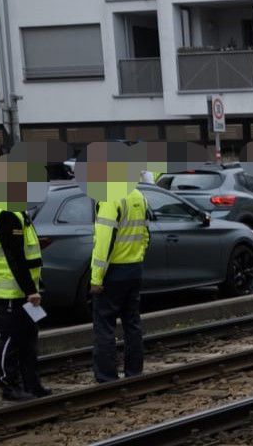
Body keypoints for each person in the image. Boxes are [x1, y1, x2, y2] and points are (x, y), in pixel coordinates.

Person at [0, 159, 49, 401]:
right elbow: (15, 256)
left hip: (19, 286)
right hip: (13, 288)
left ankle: (31, 383)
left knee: (28, 336)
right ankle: (9, 385)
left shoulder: (0, 206)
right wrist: (31, 289)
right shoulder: (7, 211)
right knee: (11, 338)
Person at [87, 156, 150, 383]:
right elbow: (145, 235)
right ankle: (135, 371)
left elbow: (104, 242)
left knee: (104, 325)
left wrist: (96, 278)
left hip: (112, 273)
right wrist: (138, 258)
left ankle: (106, 376)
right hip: (134, 270)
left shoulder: (110, 198)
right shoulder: (138, 196)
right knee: (132, 323)